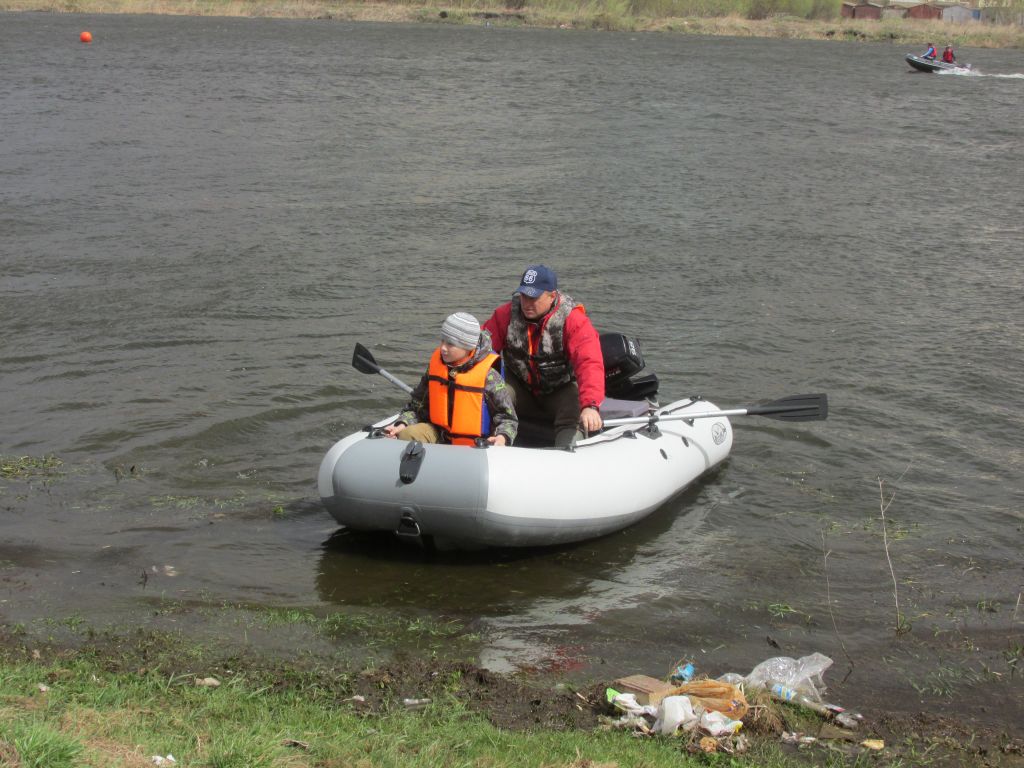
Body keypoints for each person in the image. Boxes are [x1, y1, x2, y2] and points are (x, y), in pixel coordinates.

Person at [483, 265, 604, 448]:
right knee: (496, 390)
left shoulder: (573, 320)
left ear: (552, 296)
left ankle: (566, 452)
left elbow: (589, 362)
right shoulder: (505, 315)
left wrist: (591, 406)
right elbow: (482, 350)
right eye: (523, 296)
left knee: (573, 405)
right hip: (520, 386)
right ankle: (492, 443)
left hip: (558, 389)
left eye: (534, 298)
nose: (526, 303)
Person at [383, 312, 517, 446]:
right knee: (407, 434)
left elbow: (507, 418)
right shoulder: (435, 368)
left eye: (451, 344)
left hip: (477, 444)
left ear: (468, 346)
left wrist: (502, 437)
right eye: (442, 340)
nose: (443, 348)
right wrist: (403, 423)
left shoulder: (489, 376)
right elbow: (416, 407)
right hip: (439, 434)